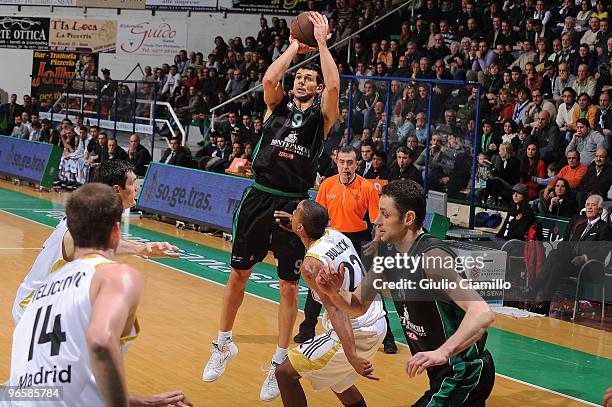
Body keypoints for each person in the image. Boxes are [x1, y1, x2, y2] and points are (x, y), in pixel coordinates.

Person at [202, 12, 340, 403]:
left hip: (293, 204)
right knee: (237, 276)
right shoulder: (275, 106)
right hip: (258, 195)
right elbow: (268, 79)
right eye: (299, 76)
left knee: (288, 285)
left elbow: (333, 84)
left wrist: (323, 44)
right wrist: (296, 46)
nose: (302, 79)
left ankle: (280, 360)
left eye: (307, 77)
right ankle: (223, 343)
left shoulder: (322, 119)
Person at [4, 183, 192, 407]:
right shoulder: (114, 275)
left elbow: (48, 392)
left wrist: (144, 402)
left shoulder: (41, 295)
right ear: (116, 231)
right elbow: (101, 342)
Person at [317, 180, 496, 406]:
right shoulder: (386, 253)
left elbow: (482, 312)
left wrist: (444, 352)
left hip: (463, 372)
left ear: (408, 219)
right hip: (441, 374)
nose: (377, 220)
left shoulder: (432, 257)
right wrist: (334, 292)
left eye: (385, 214)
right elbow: (356, 305)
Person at [12, 160, 180, 323]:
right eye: (132, 183)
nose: (136, 188)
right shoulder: (87, 221)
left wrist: (140, 248)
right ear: (116, 190)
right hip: (34, 308)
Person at [273, 200, 386, 407]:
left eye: (297, 211)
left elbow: (336, 309)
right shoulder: (336, 234)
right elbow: (313, 230)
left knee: (283, 373)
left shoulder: (311, 265)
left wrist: (352, 355)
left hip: (355, 329)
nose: (294, 211)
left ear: (301, 227)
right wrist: (298, 227)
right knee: (338, 383)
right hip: (377, 320)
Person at [293, 146, 397, 354]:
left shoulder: (367, 188)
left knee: (366, 285)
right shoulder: (327, 185)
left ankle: (388, 337)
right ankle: (307, 328)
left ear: (356, 164)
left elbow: (376, 219)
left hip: (357, 240)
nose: (346, 167)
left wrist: (377, 241)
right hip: (330, 238)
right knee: (318, 282)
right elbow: (317, 216)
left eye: (350, 163)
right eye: (342, 162)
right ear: (336, 162)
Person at [538, 194, 612, 315]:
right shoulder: (581, 226)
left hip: (589, 267)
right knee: (556, 263)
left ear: (600, 210)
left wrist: (584, 258)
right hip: (572, 264)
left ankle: (538, 284)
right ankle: (545, 305)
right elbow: (570, 246)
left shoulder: (605, 228)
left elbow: (602, 252)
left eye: (593, 205)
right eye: (587, 205)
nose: (589, 208)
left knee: (555, 255)